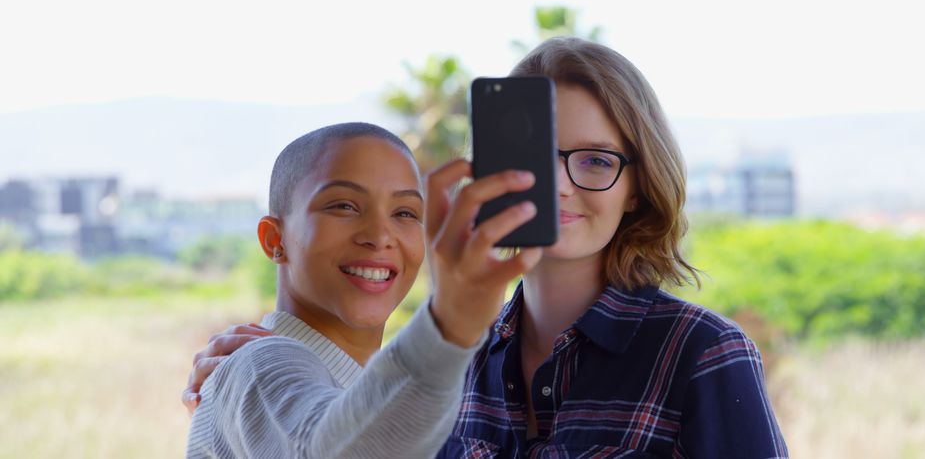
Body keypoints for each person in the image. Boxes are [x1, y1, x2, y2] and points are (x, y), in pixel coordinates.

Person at [186, 39, 789, 458]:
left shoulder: (700, 352)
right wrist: (253, 376)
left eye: (597, 161)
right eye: (535, 158)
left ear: (636, 189)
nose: (561, 185)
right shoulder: (448, 364)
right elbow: (331, 439)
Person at [185, 122, 542, 458]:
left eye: (405, 212)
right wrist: (450, 324)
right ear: (275, 240)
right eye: (343, 206)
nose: (379, 236)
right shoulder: (258, 362)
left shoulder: (377, 386)